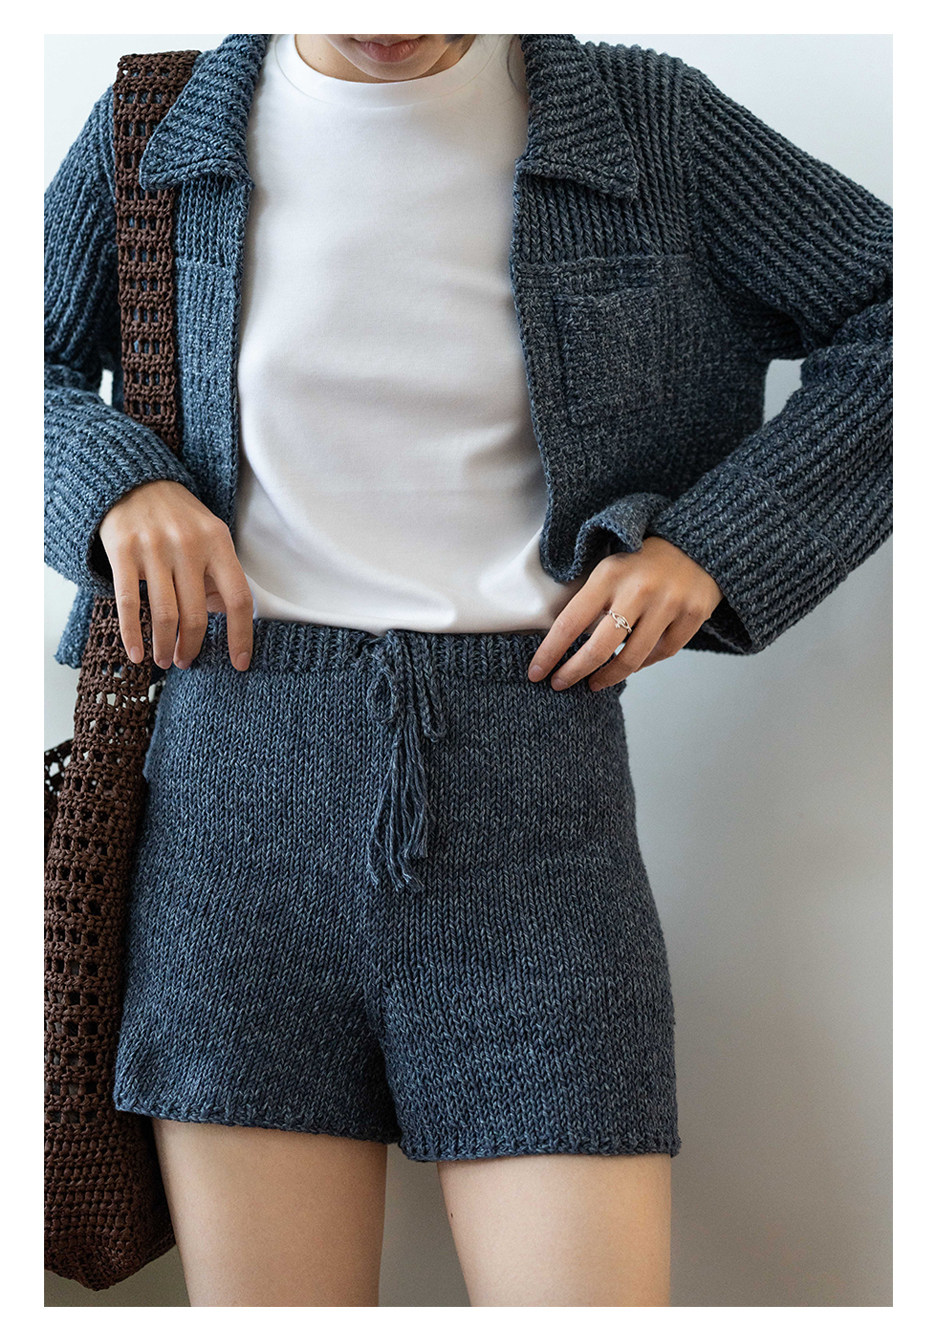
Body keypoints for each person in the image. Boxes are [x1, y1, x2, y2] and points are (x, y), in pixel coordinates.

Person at [44, 32, 892, 1307]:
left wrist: (718, 547)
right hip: (230, 811)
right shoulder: (158, 125)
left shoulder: (641, 119)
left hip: (536, 799)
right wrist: (113, 481)